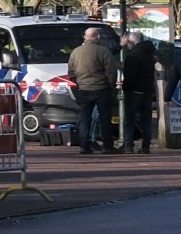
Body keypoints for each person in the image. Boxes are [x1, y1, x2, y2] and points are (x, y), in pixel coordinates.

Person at [68, 26, 119, 154]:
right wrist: (111, 85)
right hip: (102, 88)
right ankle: (107, 146)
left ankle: (84, 145)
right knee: (105, 118)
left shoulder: (75, 52)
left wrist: (78, 82)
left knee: (85, 117)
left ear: (85, 37)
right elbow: (111, 71)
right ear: (98, 37)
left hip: (84, 88)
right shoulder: (103, 51)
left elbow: (71, 71)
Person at [121, 32, 165, 154]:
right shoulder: (150, 54)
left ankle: (128, 146)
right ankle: (146, 145)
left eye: (129, 42)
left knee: (129, 119)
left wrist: (126, 86)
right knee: (146, 119)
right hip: (147, 90)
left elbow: (130, 75)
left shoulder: (133, 55)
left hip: (134, 90)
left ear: (133, 42)